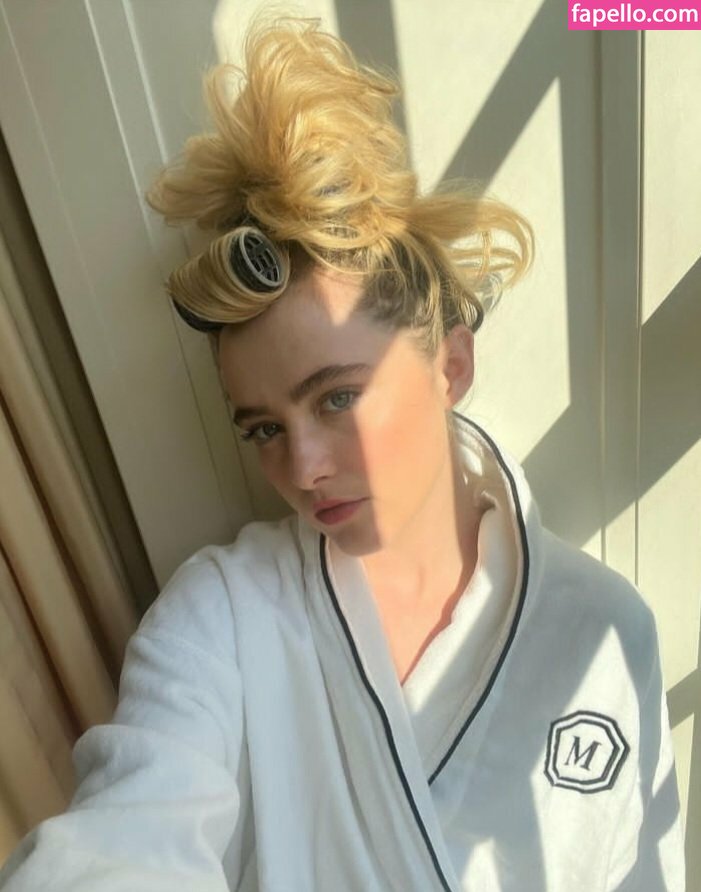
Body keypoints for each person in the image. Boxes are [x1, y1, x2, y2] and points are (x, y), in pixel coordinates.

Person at [0, 15, 685, 892]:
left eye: (336, 397)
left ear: (450, 365)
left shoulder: (603, 628)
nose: (302, 469)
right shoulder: (222, 617)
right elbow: (125, 837)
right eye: (262, 428)